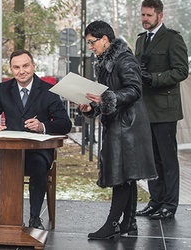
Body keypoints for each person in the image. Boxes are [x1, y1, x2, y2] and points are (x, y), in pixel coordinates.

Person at [78, 20, 157, 239]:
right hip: (121, 124)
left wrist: (106, 99)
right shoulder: (105, 61)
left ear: (105, 39)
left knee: (122, 176)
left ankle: (112, 223)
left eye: (92, 42)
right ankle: (129, 224)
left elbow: (134, 89)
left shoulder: (124, 59)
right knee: (127, 176)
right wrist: (91, 106)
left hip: (128, 126)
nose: (90, 47)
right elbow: (105, 94)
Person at [0, 49, 72, 230]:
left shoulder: (48, 90)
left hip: (37, 150)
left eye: (25, 66)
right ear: (11, 70)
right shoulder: (4, 89)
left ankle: (34, 217)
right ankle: (6, 214)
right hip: (9, 151)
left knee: (38, 165)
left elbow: (65, 123)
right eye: (16, 67)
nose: (21, 71)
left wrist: (42, 126)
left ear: (33, 66)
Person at [134, 0, 189, 220]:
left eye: (148, 15)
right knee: (152, 159)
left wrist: (154, 79)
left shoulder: (173, 39)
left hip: (165, 109)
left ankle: (169, 204)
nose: (144, 19)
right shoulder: (140, 41)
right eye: (142, 15)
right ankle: (155, 202)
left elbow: (181, 71)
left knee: (167, 159)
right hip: (145, 109)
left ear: (160, 15)